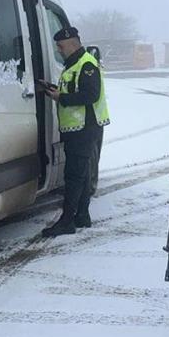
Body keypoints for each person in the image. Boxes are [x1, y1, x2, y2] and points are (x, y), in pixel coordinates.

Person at [41, 26, 110, 237]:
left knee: (74, 175)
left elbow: (91, 95)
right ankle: (81, 215)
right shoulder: (74, 65)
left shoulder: (87, 64)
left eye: (61, 46)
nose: (59, 50)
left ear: (72, 43)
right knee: (82, 173)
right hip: (78, 128)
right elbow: (75, 90)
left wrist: (60, 98)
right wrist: (54, 89)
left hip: (84, 128)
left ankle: (67, 221)